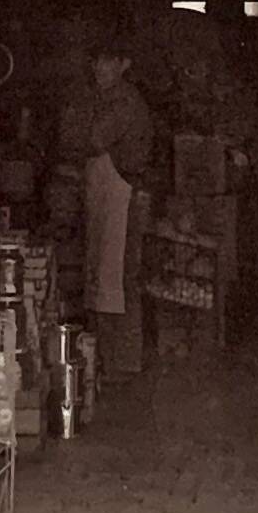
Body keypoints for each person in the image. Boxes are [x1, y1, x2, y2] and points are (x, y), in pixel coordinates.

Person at [80, 30, 157, 376]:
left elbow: (95, 138)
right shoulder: (104, 98)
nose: (101, 68)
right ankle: (105, 359)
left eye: (109, 62)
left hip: (125, 196)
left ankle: (123, 363)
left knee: (121, 279)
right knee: (106, 276)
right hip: (109, 195)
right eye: (97, 61)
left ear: (123, 65)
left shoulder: (124, 102)